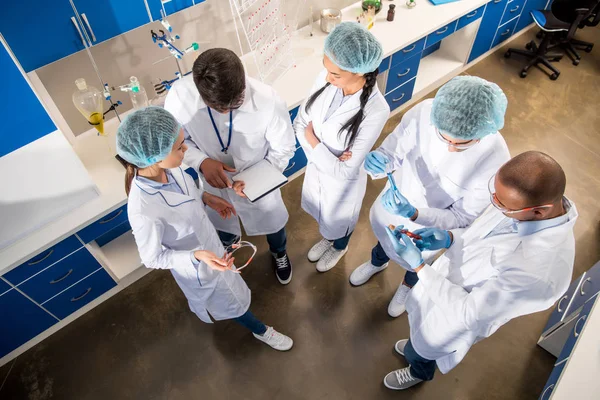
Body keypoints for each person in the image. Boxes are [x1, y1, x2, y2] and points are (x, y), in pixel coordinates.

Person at [381, 151, 577, 390]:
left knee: (426, 347)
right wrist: (450, 238)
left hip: (451, 318)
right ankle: (415, 347)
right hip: (440, 285)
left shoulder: (539, 273)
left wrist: (420, 266)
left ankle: (419, 370)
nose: (494, 202)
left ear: (539, 211)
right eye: (494, 194)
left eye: (500, 203)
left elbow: (468, 313)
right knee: (417, 334)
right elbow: (484, 237)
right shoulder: (519, 204)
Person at [118, 106, 293, 351]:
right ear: (154, 157)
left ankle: (251, 317)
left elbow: (187, 192)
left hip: (211, 247)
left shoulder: (170, 168)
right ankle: (262, 331)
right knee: (230, 303)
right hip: (198, 267)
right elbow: (151, 258)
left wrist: (206, 198)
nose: (186, 149)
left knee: (234, 288)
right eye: (179, 147)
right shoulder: (142, 209)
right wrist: (195, 256)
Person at [349, 76, 511, 317]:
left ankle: (407, 286)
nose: (450, 148)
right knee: (385, 240)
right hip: (394, 202)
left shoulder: (495, 160)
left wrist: (416, 214)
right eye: (444, 138)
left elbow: (461, 217)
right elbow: (394, 150)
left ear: (483, 133)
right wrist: (381, 161)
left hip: (431, 225)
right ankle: (377, 262)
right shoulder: (424, 112)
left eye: (461, 143)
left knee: (417, 262)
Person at [164, 48, 296, 285]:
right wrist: (201, 162)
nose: (225, 112)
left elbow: (284, 148)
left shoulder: (268, 100)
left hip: (259, 179)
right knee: (222, 225)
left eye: (232, 107)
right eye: (217, 108)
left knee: (273, 223)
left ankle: (279, 252)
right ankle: (224, 252)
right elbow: (179, 142)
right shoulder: (178, 98)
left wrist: (257, 181)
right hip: (213, 182)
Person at [294, 22, 390, 272]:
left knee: (339, 220)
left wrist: (313, 140)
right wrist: (328, 156)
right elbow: (300, 123)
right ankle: (328, 238)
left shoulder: (376, 109)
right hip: (318, 171)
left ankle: (339, 246)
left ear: (360, 72)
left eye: (335, 74)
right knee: (323, 216)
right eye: (326, 70)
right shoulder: (327, 78)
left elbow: (344, 172)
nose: (327, 78)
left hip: (342, 187)